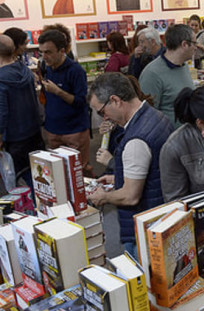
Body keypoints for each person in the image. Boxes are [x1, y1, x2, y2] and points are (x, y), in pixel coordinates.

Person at [87, 73, 173, 258]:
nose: (104, 118)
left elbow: (130, 196)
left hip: (144, 229)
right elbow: (152, 171)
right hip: (162, 217)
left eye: (102, 112)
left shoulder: (136, 140)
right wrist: (118, 176)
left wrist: (104, 197)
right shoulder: (155, 116)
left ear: (115, 100)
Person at [38, 30, 92, 175]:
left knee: (79, 173)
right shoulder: (45, 67)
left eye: (48, 52)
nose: (44, 57)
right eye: (41, 52)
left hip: (75, 131)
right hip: (52, 130)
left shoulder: (76, 71)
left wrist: (58, 92)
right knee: (58, 173)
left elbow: (81, 102)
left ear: (62, 51)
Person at [0, 35, 45, 193]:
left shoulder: (1, 79)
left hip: (13, 138)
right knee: (38, 178)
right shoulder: (24, 70)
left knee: (14, 183)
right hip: (33, 133)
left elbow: (2, 113)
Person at [139, 24, 196, 127]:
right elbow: (146, 117)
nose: (196, 47)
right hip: (168, 139)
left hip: (187, 135)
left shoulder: (183, 66)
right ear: (184, 44)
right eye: (194, 43)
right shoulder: (152, 74)